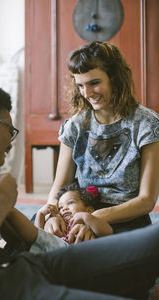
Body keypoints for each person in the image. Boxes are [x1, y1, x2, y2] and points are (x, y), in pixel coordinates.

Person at [0, 84, 159, 300]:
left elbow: (18, 238)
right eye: (11, 132)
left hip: (24, 265)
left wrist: (3, 210)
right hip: (2, 288)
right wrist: (1, 204)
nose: (10, 144)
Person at [45, 41, 159, 239]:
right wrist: (52, 216)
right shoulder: (74, 126)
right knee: (31, 232)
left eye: (94, 83)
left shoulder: (147, 124)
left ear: (115, 79)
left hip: (126, 218)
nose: (87, 94)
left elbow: (146, 200)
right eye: (80, 85)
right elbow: (59, 187)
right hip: (79, 211)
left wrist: (95, 219)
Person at [35, 181, 113, 246]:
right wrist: (40, 215)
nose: (64, 208)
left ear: (89, 209)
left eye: (71, 202)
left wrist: (86, 217)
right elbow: (39, 237)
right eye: (60, 207)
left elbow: (108, 232)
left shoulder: (89, 222)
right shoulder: (59, 222)